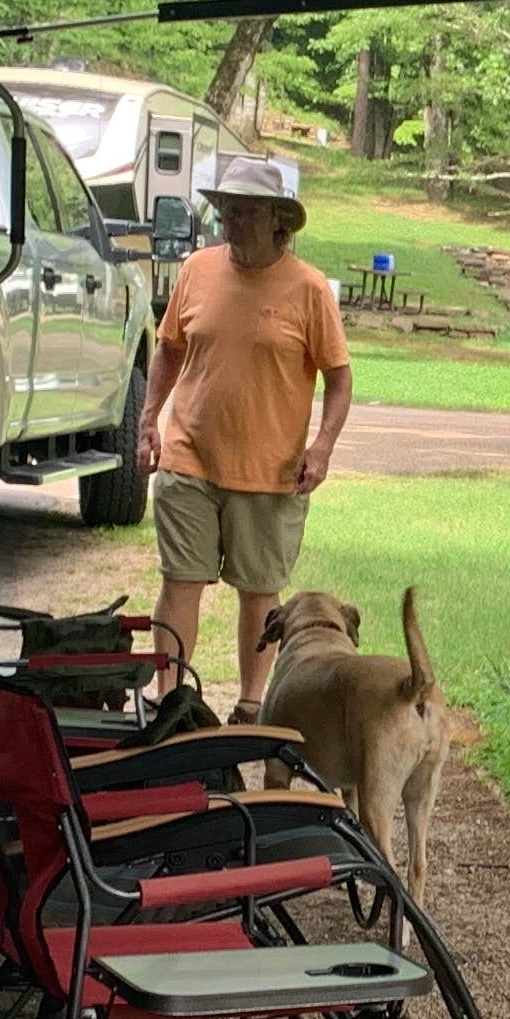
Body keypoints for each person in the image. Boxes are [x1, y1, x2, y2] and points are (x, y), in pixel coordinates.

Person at [142, 156, 351, 718]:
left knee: (259, 592)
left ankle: (250, 705)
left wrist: (322, 447)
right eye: (226, 210)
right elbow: (168, 350)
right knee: (179, 581)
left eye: (244, 212)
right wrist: (148, 422)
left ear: (277, 220)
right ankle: (173, 701)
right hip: (189, 457)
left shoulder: (308, 289)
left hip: (270, 470)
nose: (229, 222)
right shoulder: (197, 270)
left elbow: (338, 378)